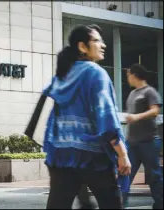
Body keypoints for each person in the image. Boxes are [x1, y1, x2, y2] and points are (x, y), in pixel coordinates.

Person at [42, 24, 131, 209]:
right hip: (93, 156)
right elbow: (106, 117)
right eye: (97, 40)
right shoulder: (96, 73)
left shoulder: (63, 76)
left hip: (62, 155)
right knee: (112, 204)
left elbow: (53, 120)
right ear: (82, 47)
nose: (103, 45)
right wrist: (122, 153)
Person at [123, 64, 163, 209]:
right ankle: (119, 205)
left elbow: (155, 111)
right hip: (131, 144)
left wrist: (136, 116)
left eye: (128, 75)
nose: (127, 78)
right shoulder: (132, 94)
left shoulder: (149, 92)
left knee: (154, 177)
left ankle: (160, 205)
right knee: (124, 175)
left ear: (134, 75)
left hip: (149, 142)